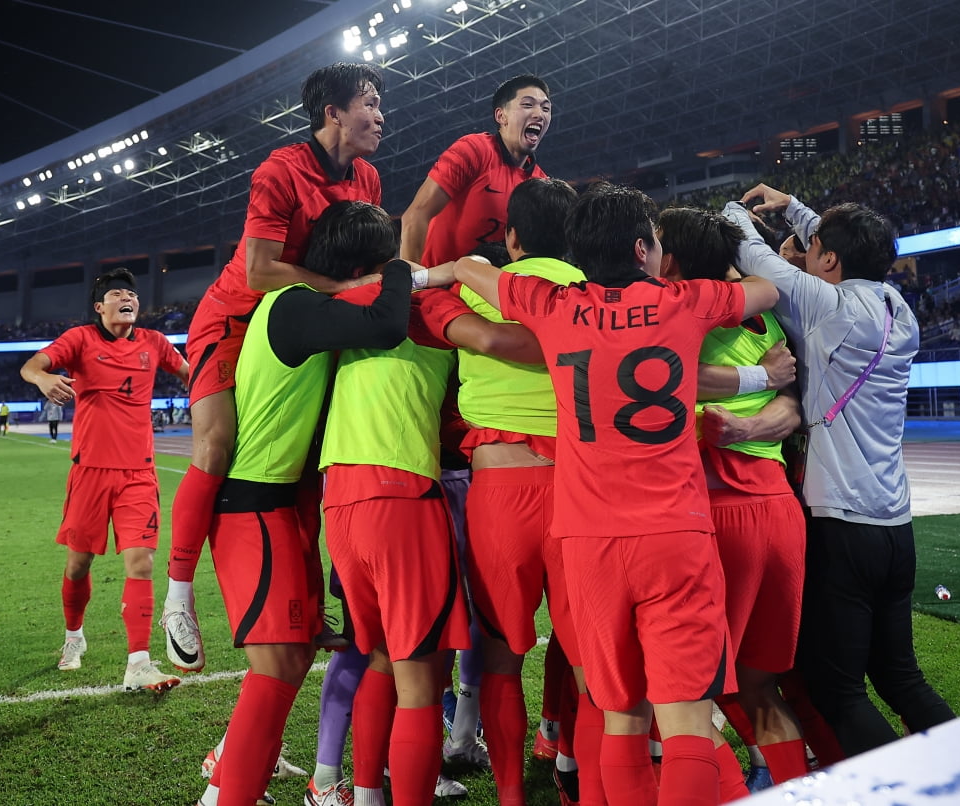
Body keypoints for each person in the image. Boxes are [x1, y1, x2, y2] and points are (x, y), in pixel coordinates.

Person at [439, 182, 779, 806]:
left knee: (619, 714)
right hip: (676, 537)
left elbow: (470, 269)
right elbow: (768, 289)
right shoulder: (686, 302)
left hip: (590, 541)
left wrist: (443, 269)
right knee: (684, 728)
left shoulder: (552, 305)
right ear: (645, 247)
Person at [164, 62, 387, 674]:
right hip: (237, 318)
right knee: (215, 446)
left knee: (313, 458)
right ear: (332, 112)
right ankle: (178, 596)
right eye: (370, 102)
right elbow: (261, 272)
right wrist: (343, 290)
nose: (381, 114)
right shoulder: (280, 170)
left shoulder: (366, 175)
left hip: (306, 327)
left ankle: (309, 604)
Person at [725, 185, 957, 757]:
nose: (803, 257)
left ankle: (903, 795)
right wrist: (800, 211)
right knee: (903, 679)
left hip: (842, 525)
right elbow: (841, 250)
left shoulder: (826, 307)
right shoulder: (899, 308)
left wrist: (736, 211)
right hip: (895, 527)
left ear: (828, 258)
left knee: (839, 691)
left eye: (813, 250)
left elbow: (751, 254)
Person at [198, 200, 414, 806]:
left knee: (287, 667)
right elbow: (386, 323)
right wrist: (402, 272)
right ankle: (226, 793)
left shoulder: (301, 306)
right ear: (362, 262)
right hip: (253, 504)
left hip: (281, 506)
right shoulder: (292, 307)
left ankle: (229, 778)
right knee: (277, 668)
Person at [318, 227, 542, 806]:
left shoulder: (352, 305)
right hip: (400, 493)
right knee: (420, 682)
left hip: (338, 495)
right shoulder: (440, 314)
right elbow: (487, 357)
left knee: (378, 662)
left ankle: (364, 793)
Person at [656, 206, 810, 790]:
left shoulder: (680, 316)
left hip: (717, 514)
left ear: (668, 258)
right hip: (779, 512)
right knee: (760, 685)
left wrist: (739, 422)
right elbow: (794, 406)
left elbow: (662, 374)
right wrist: (759, 408)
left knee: (679, 698)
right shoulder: (764, 323)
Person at [451, 177, 584, 806]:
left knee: (502, 655)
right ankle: (581, 777)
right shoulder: (593, 295)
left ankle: (510, 795)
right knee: (588, 648)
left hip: (500, 489)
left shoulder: (476, 289)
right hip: (581, 490)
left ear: (512, 237)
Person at [20, 267, 189, 691]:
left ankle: (138, 664)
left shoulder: (154, 343)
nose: (126, 298)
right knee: (78, 564)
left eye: (130, 293)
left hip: (138, 473)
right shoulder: (80, 340)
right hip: (90, 473)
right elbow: (32, 365)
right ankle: (74, 637)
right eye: (116, 293)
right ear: (99, 306)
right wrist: (42, 378)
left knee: (142, 562)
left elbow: (192, 374)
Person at [401, 74, 551, 266]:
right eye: (528, 105)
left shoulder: (541, 184)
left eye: (546, 108)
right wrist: (412, 285)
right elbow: (416, 215)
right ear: (501, 116)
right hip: (437, 288)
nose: (540, 114)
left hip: (488, 292)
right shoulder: (474, 150)